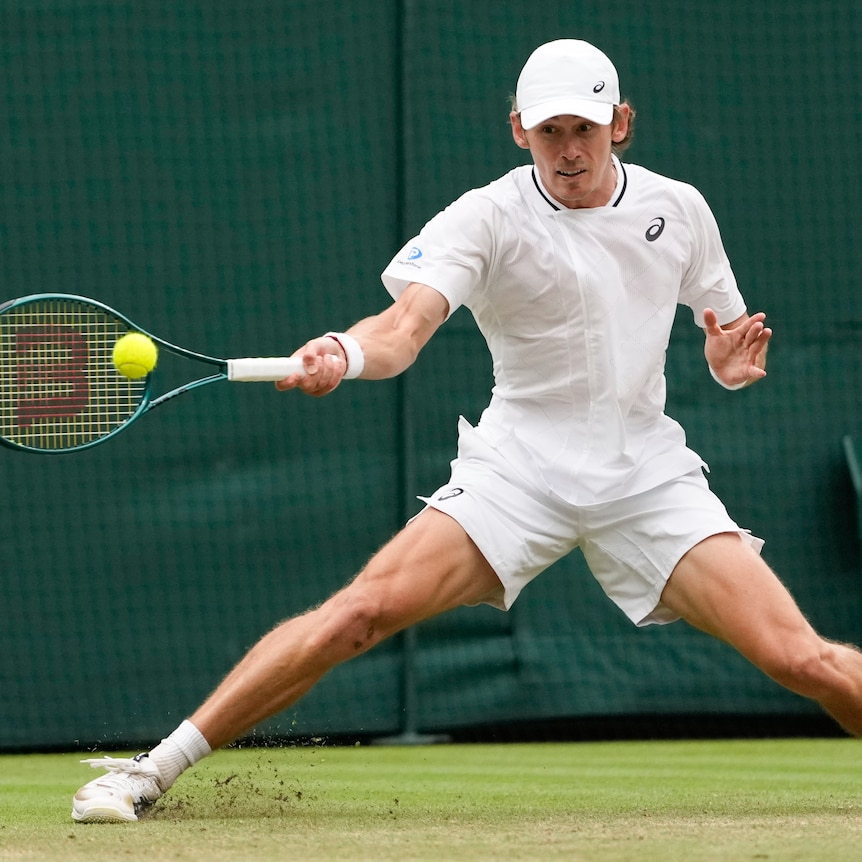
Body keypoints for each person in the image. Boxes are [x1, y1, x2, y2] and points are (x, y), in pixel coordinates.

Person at [72, 38, 862, 823]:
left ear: (620, 123)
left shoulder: (678, 209)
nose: (568, 150)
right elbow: (400, 329)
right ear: (517, 129)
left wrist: (728, 361)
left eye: (584, 129)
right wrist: (343, 353)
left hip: (644, 477)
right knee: (358, 613)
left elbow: (724, 347)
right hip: (518, 473)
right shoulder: (485, 218)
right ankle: (150, 771)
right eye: (549, 131)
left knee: (801, 659)